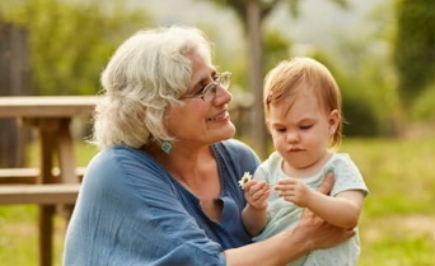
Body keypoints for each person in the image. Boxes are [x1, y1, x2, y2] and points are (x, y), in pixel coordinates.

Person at [63, 26, 353, 265]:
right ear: (153, 111)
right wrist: (306, 235)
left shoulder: (239, 160)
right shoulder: (117, 171)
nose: (225, 96)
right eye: (202, 89)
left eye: (216, 79)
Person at [240, 57, 368, 266]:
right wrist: (255, 207)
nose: (292, 137)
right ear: (269, 125)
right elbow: (253, 229)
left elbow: (350, 215)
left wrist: (310, 198)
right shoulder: (267, 171)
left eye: (305, 126)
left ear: (331, 123)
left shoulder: (338, 168)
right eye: (281, 129)